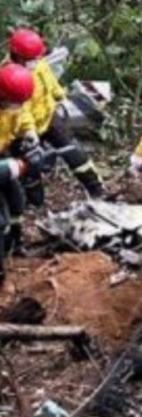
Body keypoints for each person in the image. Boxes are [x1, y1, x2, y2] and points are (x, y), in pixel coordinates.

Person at [7, 28, 104, 200]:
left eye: (38, 58)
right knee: (31, 169)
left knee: (74, 152)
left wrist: (59, 95)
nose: (36, 62)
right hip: (22, 130)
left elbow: (48, 79)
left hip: (48, 116)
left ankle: (96, 189)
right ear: (19, 56)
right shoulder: (9, 76)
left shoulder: (37, 61)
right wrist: (29, 132)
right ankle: (35, 202)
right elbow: (20, 109)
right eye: (32, 59)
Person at [0, 63, 42, 281]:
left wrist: (30, 133)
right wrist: (13, 167)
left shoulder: (14, 103)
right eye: (14, 102)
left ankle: (14, 244)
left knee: (17, 200)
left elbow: (22, 115)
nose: (17, 106)